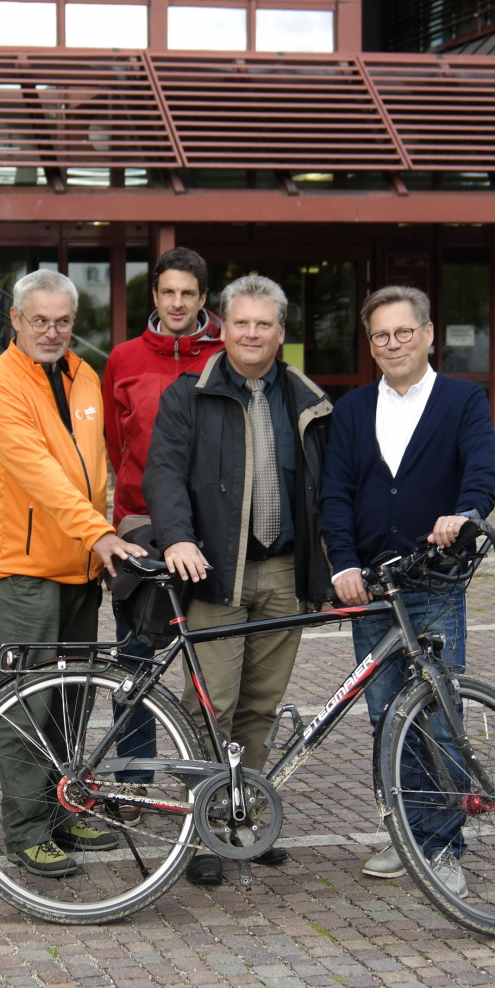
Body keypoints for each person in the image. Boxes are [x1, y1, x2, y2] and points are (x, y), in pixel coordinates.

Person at [142, 275, 333, 886]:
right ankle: (202, 830)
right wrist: (175, 537)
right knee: (212, 705)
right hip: (216, 573)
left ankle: (243, 815)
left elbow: (326, 489)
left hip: (283, 571)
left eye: (263, 324)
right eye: (240, 323)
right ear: (222, 327)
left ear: (281, 332)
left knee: (259, 706)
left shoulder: (308, 398)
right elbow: (164, 473)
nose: (250, 334)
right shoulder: (188, 395)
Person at [320, 284, 495, 897]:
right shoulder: (350, 412)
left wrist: (467, 511)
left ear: (427, 334)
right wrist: (342, 562)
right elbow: (335, 495)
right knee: (386, 716)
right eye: (380, 335)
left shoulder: (462, 400)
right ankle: (410, 832)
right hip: (372, 586)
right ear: (370, 345)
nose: (392, 344)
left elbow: (482, 465)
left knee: (439, 717)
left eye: (403, 332)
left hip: (436, 583)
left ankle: (442, 847)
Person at [0, 268, 148, 879]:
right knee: (29, 706)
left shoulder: (84, 375)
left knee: (72, 703)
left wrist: (108, 528)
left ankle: (60, 806)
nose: (52, 331)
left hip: (79, 567)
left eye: (63, 321)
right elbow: (39, 475)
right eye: (39, 320)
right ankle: (24, 831)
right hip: (25, 572)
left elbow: (96, 468)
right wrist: (97, 532)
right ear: (15, 320)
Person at [99, 246, 226, 780]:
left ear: (203, 299)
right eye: (168, 292)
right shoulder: (123, 359)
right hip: (140, 526)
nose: (177, 303)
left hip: (213, 526)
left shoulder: (226, 355)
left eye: (188, 294)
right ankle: (133, 776)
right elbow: (112, 442)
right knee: (135, 658)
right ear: (154, 295)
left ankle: (208, 776)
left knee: (211, 660)